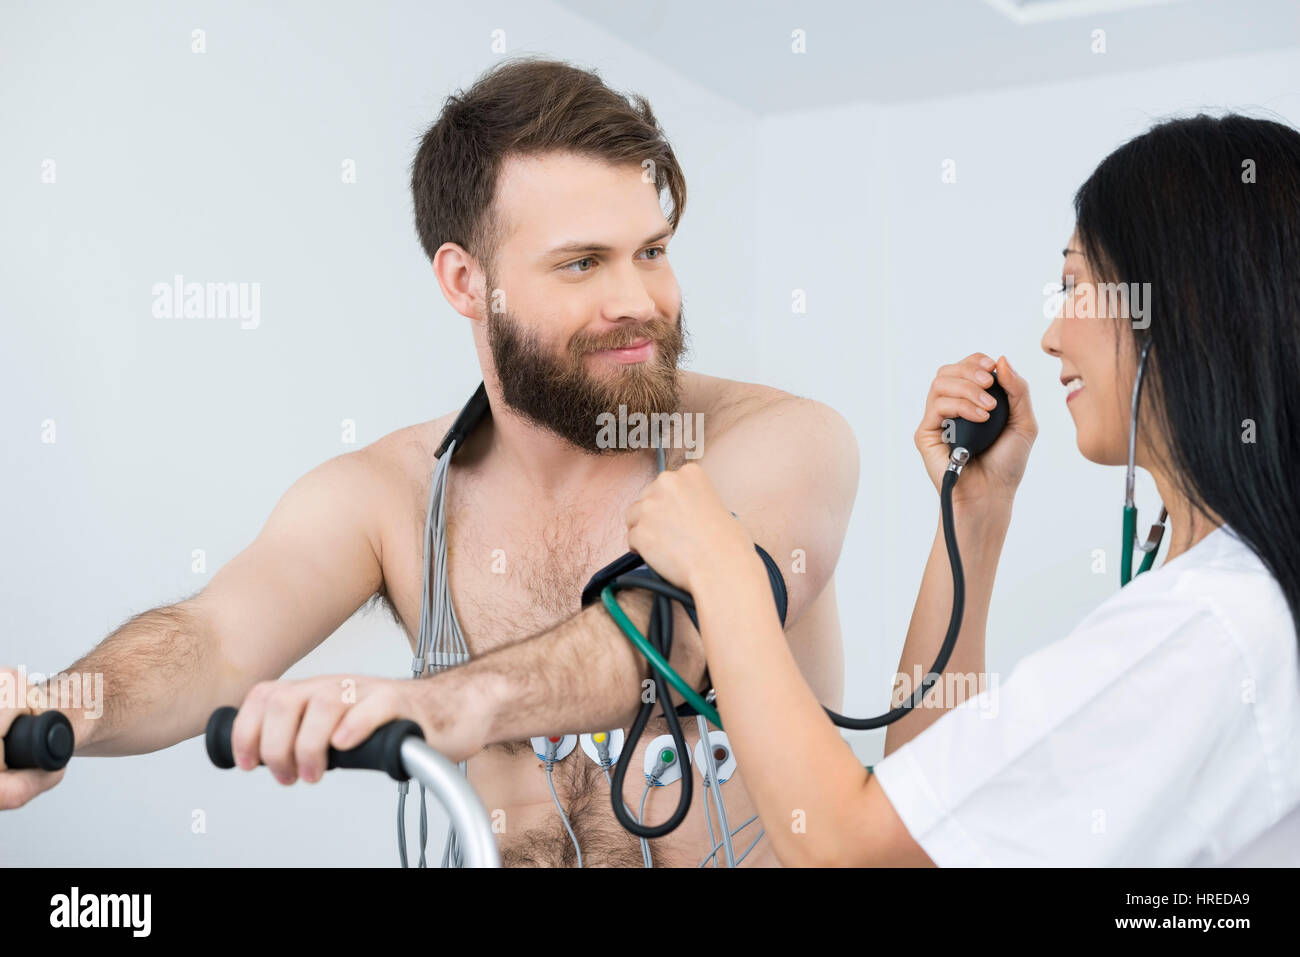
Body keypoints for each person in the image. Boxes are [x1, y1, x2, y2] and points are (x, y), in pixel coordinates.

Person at [0, 57, 860, 867]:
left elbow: (669, 625)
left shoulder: (777, 442)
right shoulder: (393, 495)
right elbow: (216, 639)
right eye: (582, 263)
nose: (638, 302)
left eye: (653, 251)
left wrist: (440, 702)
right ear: (464, 282)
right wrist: (62, 706)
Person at [620, 113, 1300, 866]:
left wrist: (723, 572)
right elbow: (929, 810)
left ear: (1181, 305)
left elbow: (855, 851)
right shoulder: (1230, 603)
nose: (1051, 336)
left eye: (1075, 285)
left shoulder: (1210, 625)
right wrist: (972, 523)